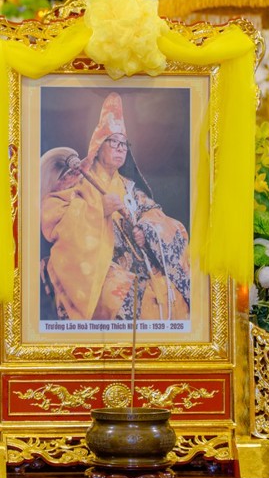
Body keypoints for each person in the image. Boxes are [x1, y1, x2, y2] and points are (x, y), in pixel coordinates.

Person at [40, 93, 191, 322]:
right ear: (99, 146)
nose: (120, 149)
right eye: (114, 142)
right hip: (97, 264)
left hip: (137, 262)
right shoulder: (78, 181)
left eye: (124, 144)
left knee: (171, 292)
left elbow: (153, 212)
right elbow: (53, 217)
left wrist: (146, 230)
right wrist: (98, 209)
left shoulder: (128, 187)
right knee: (132, 297)